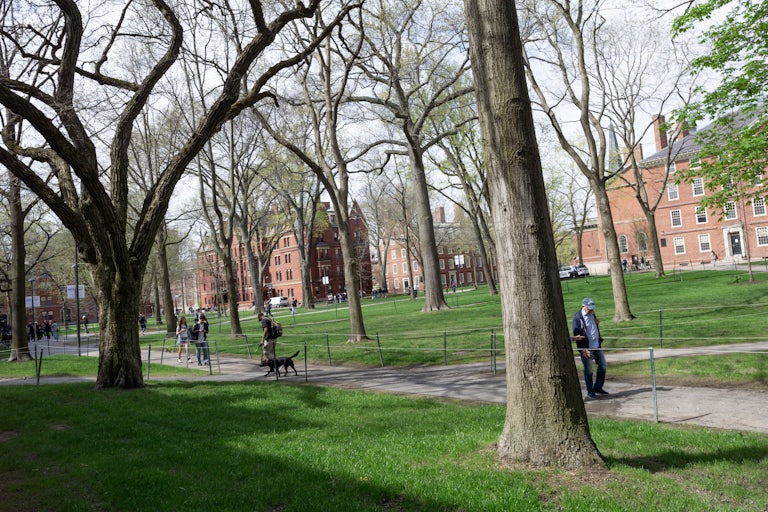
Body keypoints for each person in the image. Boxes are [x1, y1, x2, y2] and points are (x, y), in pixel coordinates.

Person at [572, 297, 608, 400]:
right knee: (589, 370)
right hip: (586, 348)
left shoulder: (593, 314)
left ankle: (598, 387)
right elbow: (577, 336)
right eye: (589, 308)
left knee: (603, 365)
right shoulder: (577, 318)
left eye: (592, 308)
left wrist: (597, 324)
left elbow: (593, 328)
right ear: (583, 306)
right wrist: (583, 350)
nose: (591, 310)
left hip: (597, 346)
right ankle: (590, 391)